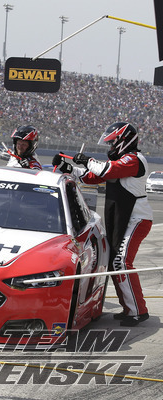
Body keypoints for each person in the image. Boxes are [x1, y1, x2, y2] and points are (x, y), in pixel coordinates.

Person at [52, 122, 151, 326]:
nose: (111, 147)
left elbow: (105, 170)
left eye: (113, 142)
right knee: (115, 261)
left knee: (121, 262)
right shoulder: (121, 161)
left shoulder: (134, 159)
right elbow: (92, 177)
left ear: (124, 140)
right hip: (124, 219)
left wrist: (87, 160)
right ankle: (129, 308)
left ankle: (137, 311)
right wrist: (68, 168)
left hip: (137, 219)